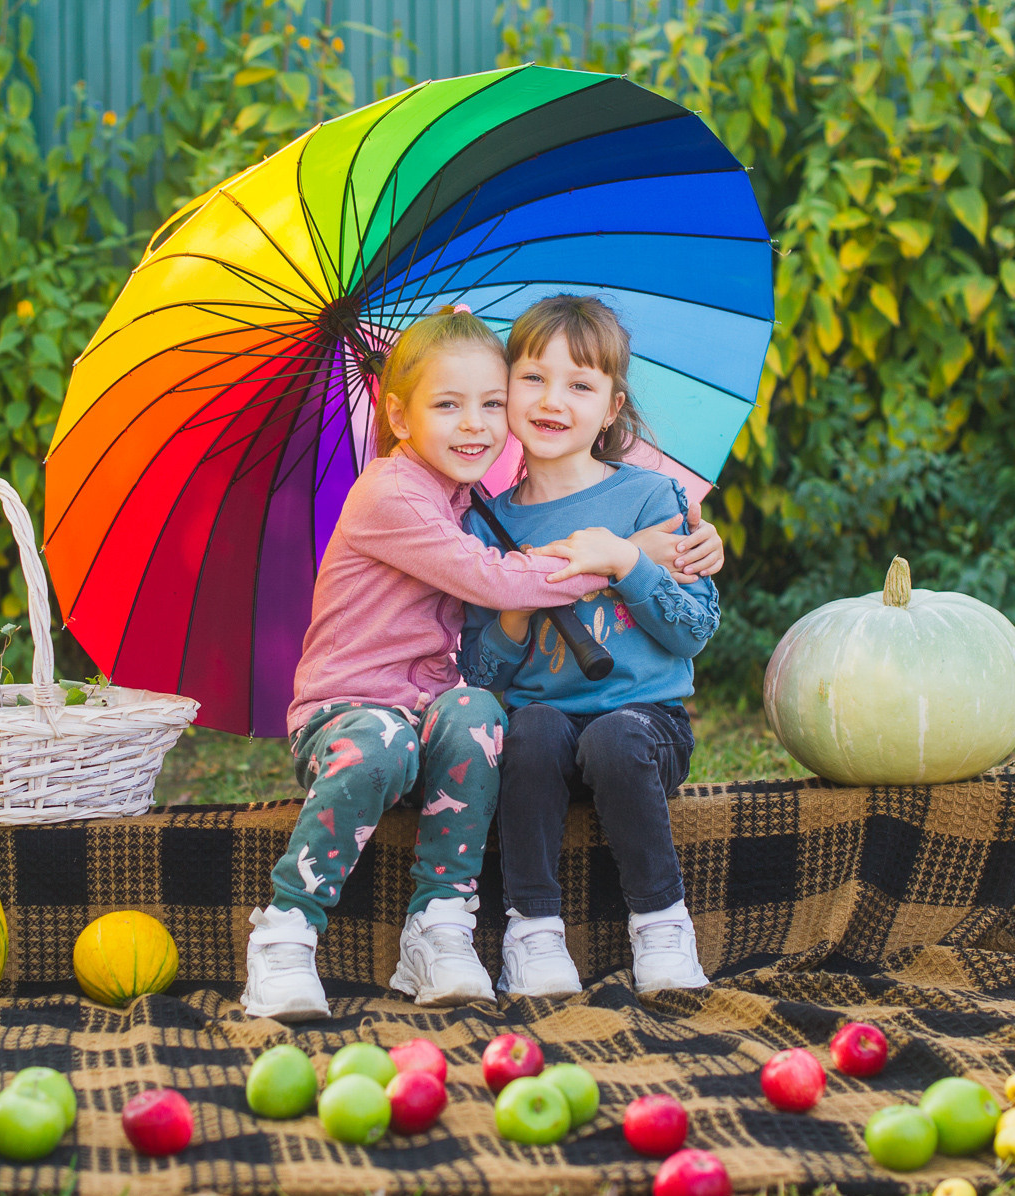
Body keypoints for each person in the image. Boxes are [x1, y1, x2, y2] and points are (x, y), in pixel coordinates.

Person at [242, 304, 722, 1021]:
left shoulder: (486, 500)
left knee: (477, 713)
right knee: (422, 733)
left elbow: (688, 618)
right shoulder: (404, 496)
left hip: (461, 713)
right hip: (362, 716)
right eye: (450, 404)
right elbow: (497, 595)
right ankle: (285, 932)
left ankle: (441, 924)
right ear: (397, 416)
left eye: (489, 402)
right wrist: (617, 556)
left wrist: (651, 554)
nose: (475, 424)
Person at [460, 294, 721, 999]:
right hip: (541, 734)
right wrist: (516, 607)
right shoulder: (486, 524)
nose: (553, 400)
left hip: (644, 727)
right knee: (534, 729)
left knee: (612, 737)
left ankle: (662, 923)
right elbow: (478, 671)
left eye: (580, 385)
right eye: (534, 378)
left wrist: (627, 562)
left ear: (612, 407)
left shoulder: (648, 498)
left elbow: (694, 628)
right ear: (506, 388)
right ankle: (534, 932)